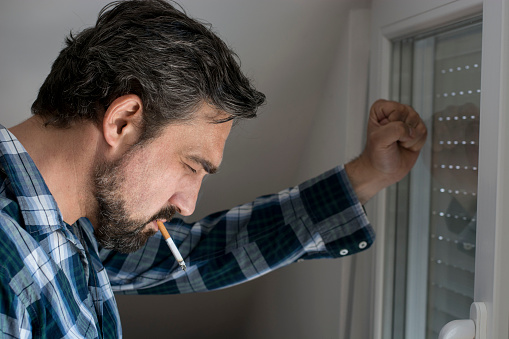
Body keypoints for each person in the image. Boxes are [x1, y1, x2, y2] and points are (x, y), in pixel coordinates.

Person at [0, 0, 427, 337]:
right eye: (191, 165)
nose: (187, 205)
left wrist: (368, 174)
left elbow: (206, 251)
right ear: (122, 122)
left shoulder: (70, 219)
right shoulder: (8, 269)